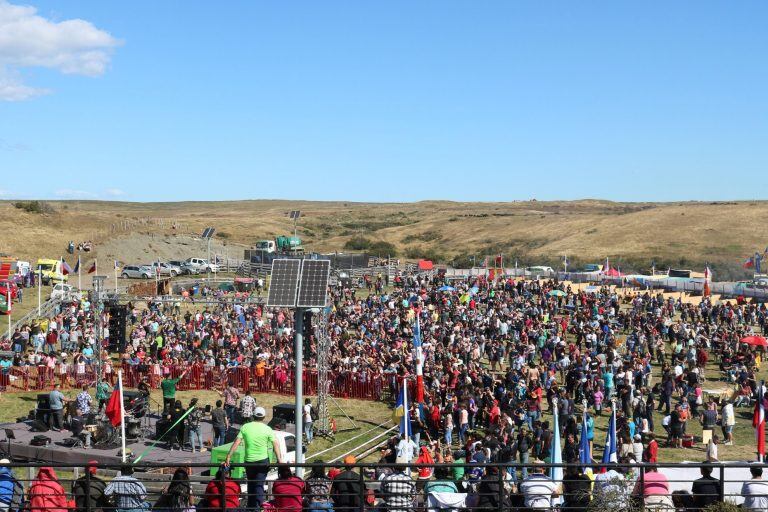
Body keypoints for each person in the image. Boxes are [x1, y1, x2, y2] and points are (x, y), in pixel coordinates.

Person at [224, 406, 283, 510]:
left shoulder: (246, 427)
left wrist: (228, 456)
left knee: (251, 484)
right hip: (263, 462)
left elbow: (236, 442)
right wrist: (279, 459)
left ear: (253, 415)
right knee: (259, 485)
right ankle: (259, 507)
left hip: (249, 462)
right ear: (264, 417)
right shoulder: (267, 429)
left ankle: (250, 508)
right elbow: (276, 444)